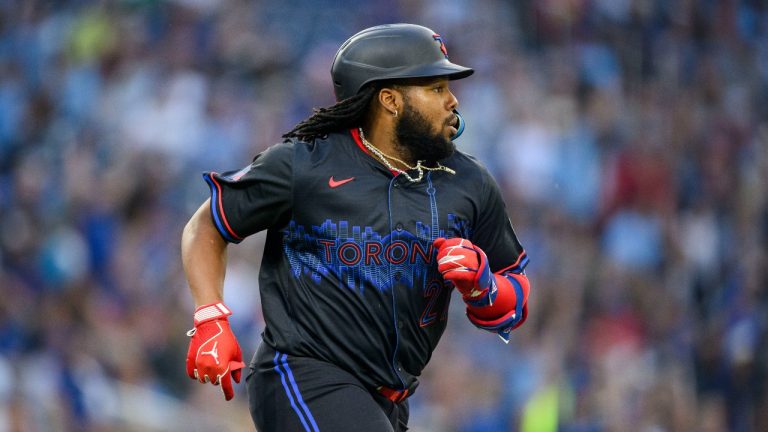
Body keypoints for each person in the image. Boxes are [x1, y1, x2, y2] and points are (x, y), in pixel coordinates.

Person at [181, 23, 531, 432]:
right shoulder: (305, 164)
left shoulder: (470, 182)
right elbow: (206, 224)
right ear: (390, 100)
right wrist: (210, 317)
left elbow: (516, 298)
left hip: (389, 401)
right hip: (301, 375)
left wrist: (483, 285)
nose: (452, 99)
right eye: (436, 88)